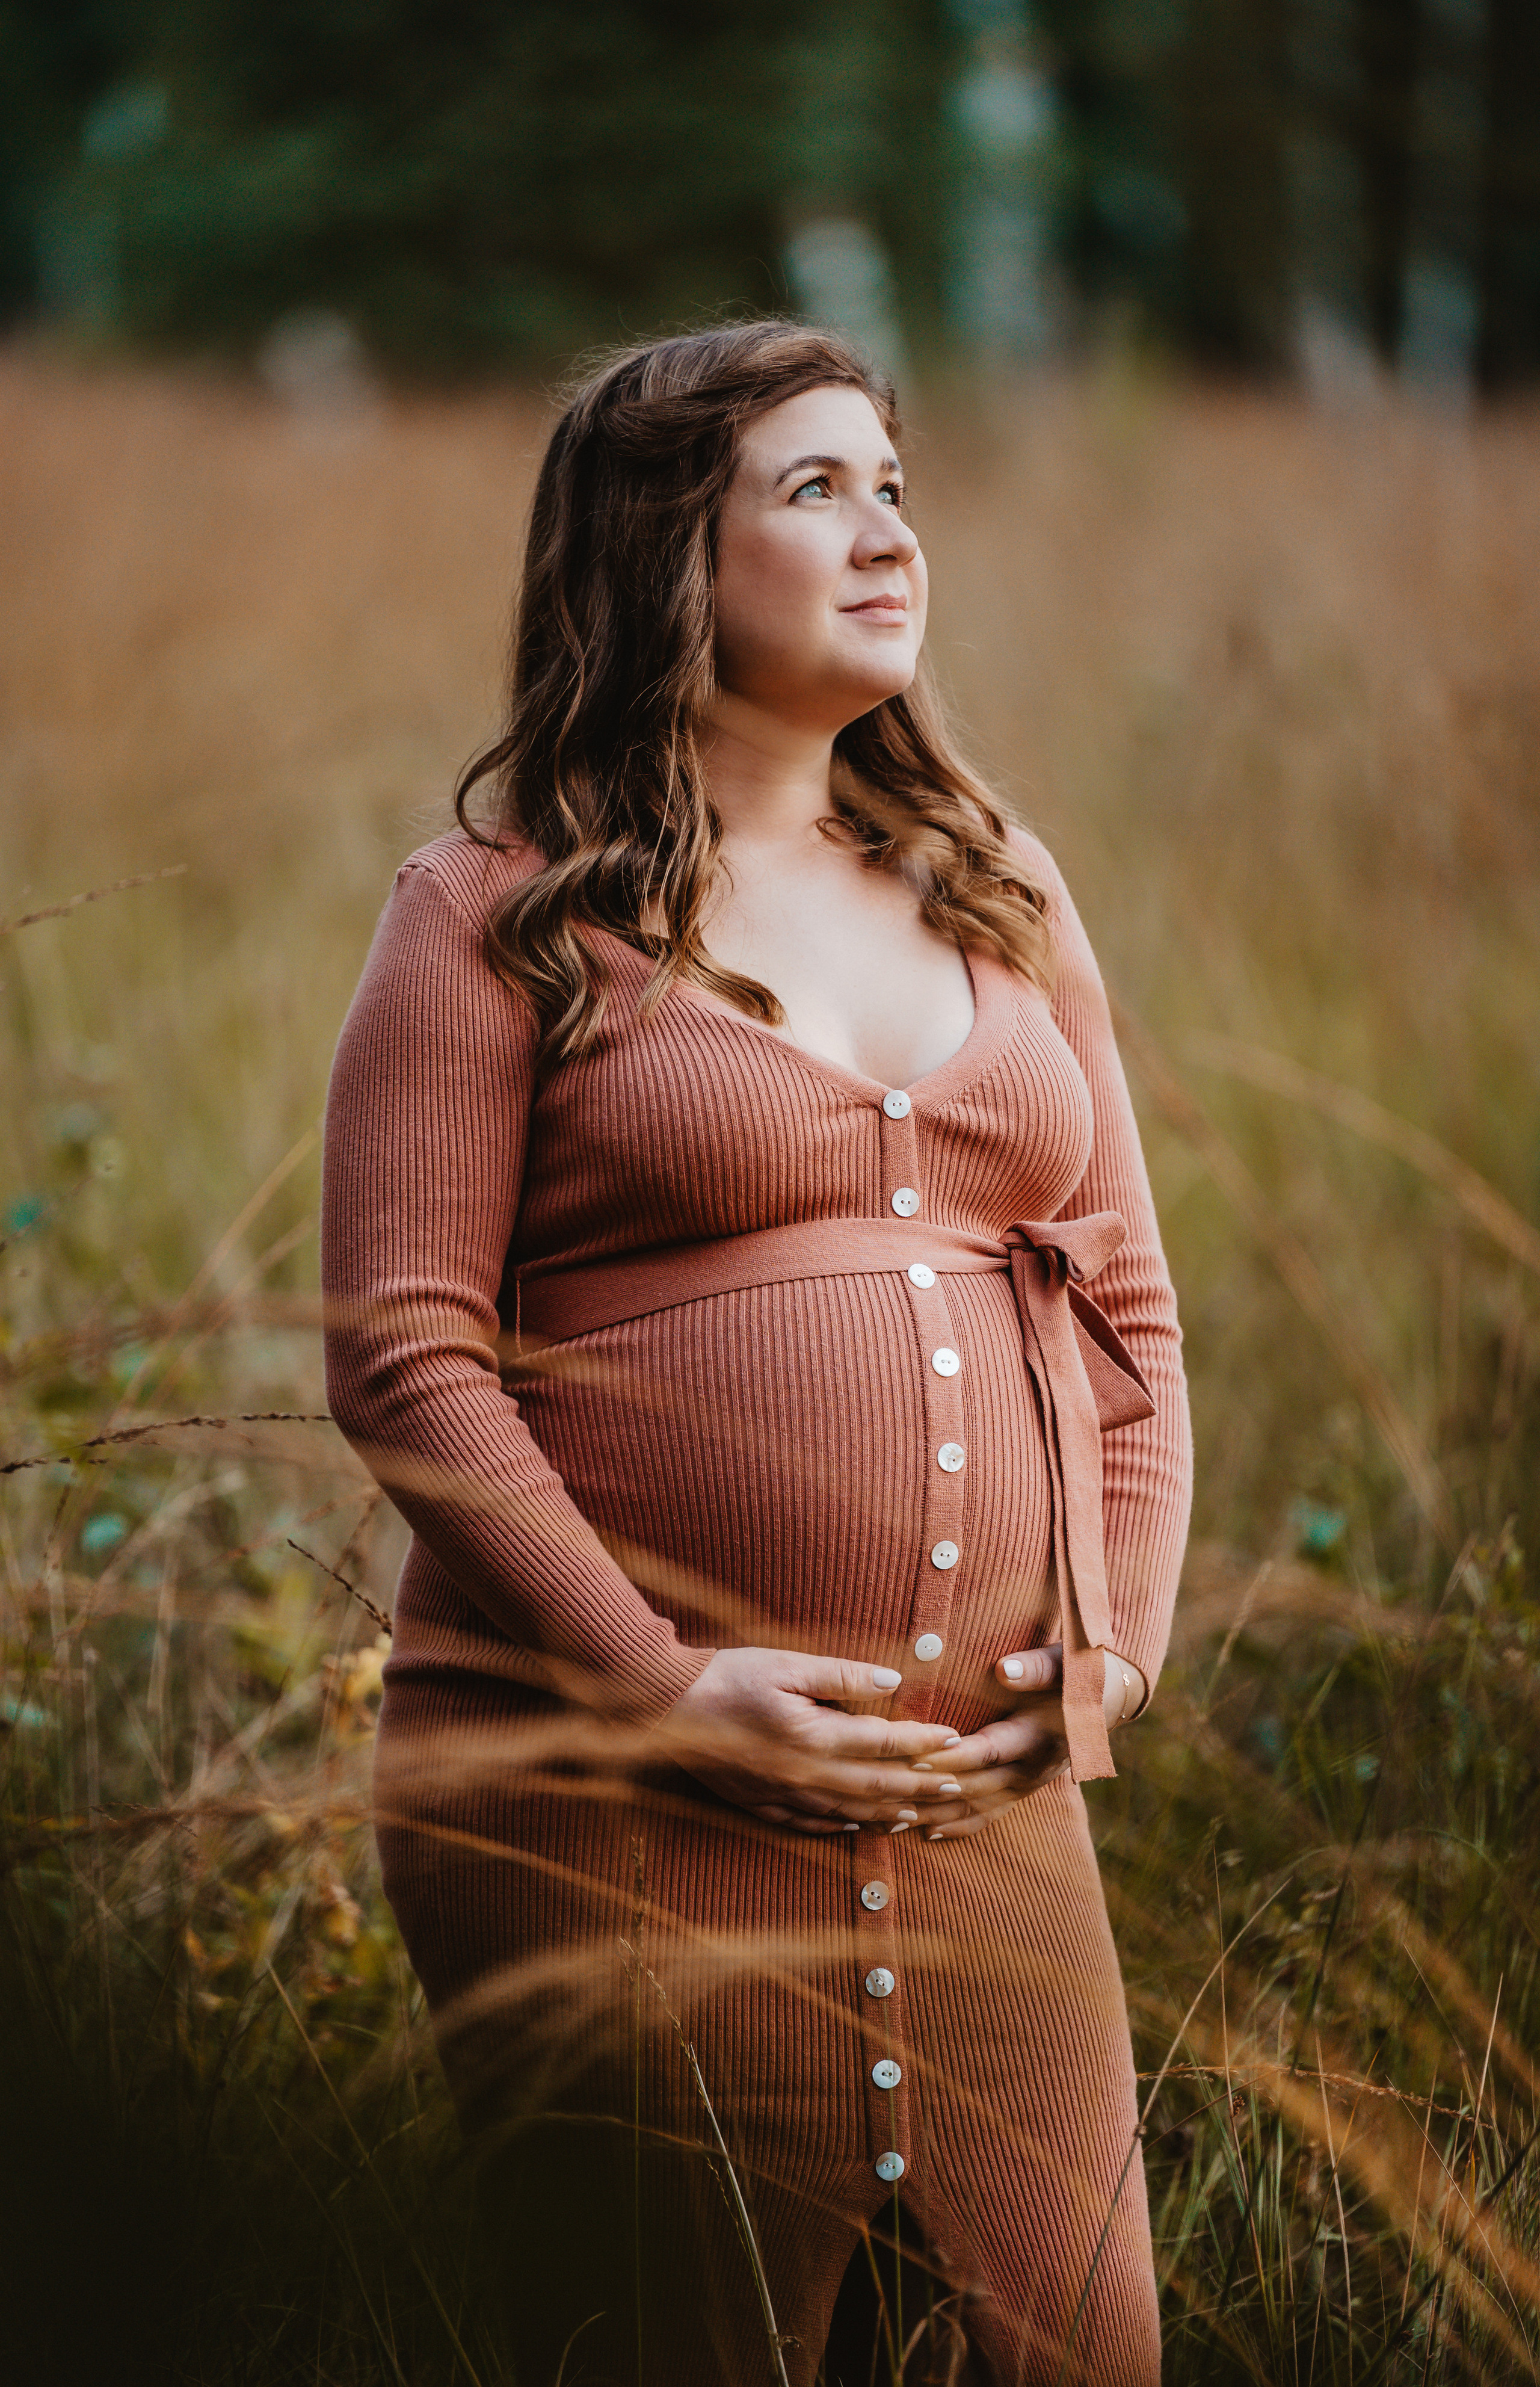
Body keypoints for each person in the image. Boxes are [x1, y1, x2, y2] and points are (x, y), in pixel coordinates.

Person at [321, 320, 1192, 2386]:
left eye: (895, 486)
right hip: (611, 1790)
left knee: (1079, 2343)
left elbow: (1131, 1309)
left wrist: (1117, 1649)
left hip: (986, 1807)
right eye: (815, 491)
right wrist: (659, 1689)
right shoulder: (494, 911)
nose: (889, 536)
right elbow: (405, 1357)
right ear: (665, 557)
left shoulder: (998, 887)